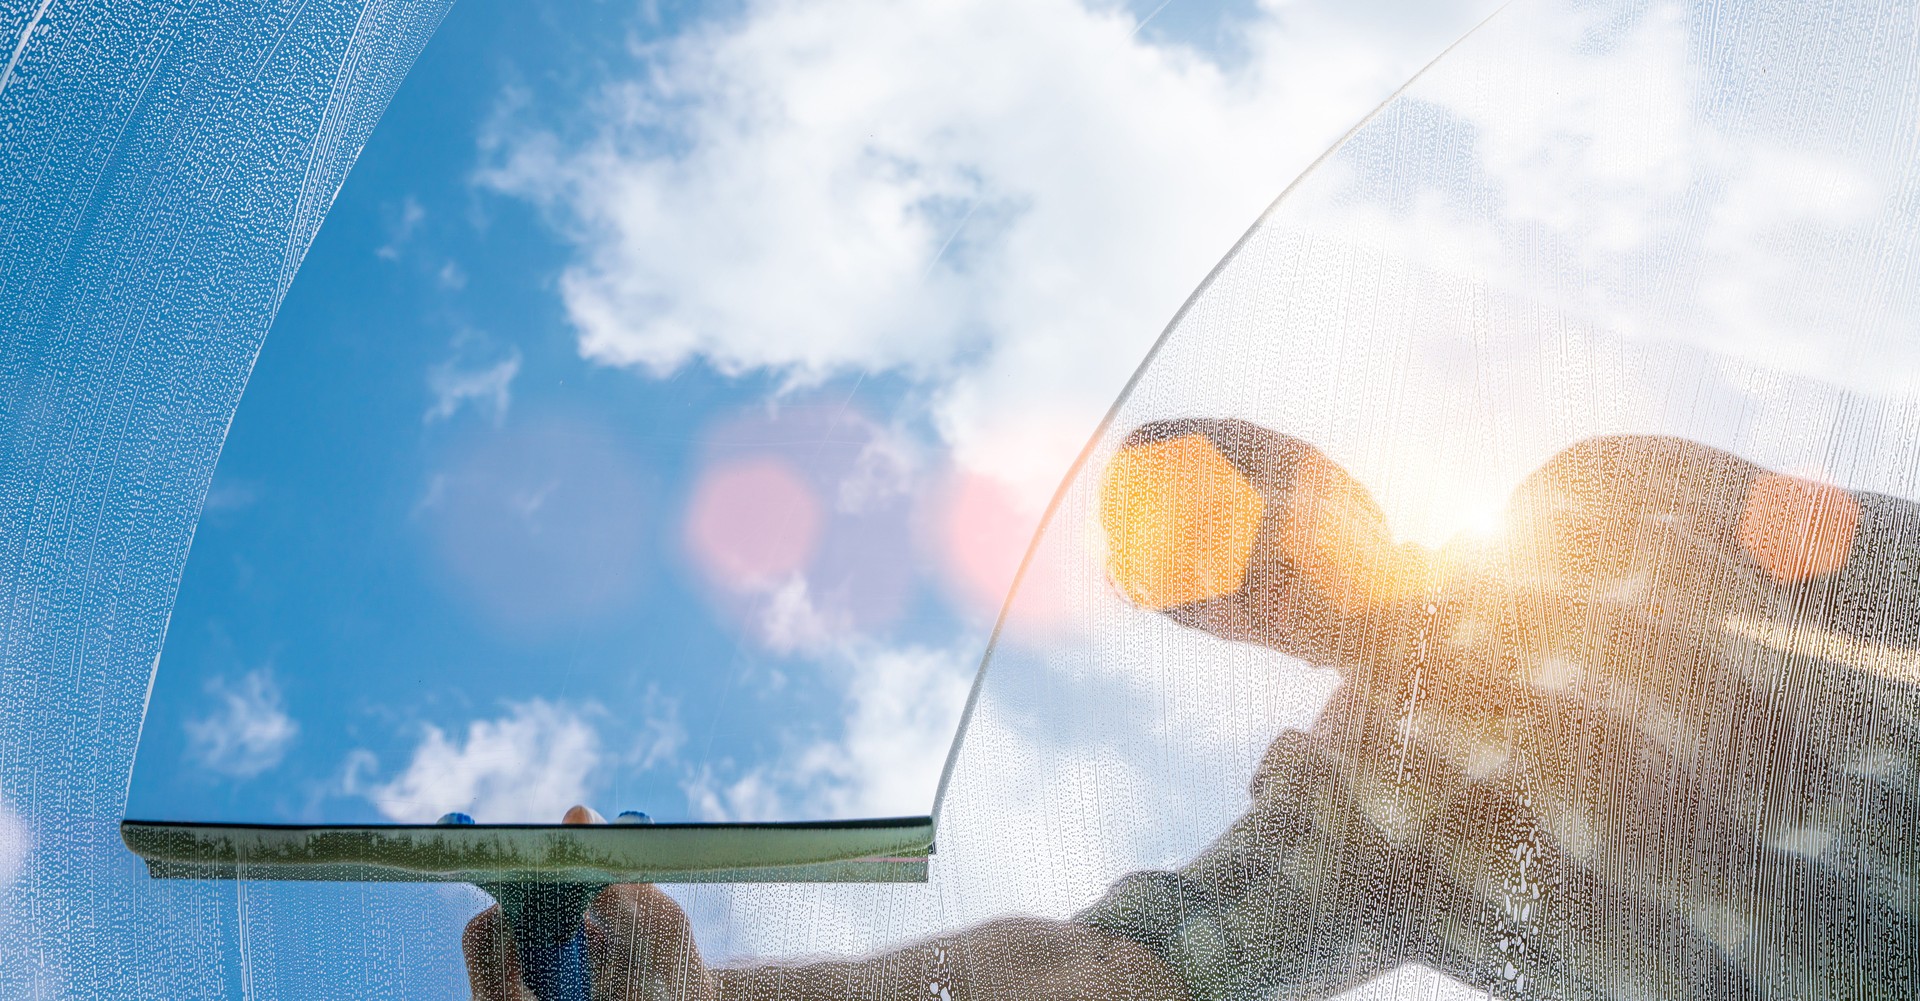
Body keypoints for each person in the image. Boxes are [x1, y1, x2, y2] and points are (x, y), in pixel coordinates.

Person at [467, 419, 1919, 1001]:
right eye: (1177, 576)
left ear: (1318, 467)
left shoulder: (1603, 491)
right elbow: (1103, 970)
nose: (1236, 582)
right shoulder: (1346, 796)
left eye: (1213, 513)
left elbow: (1876, 557)